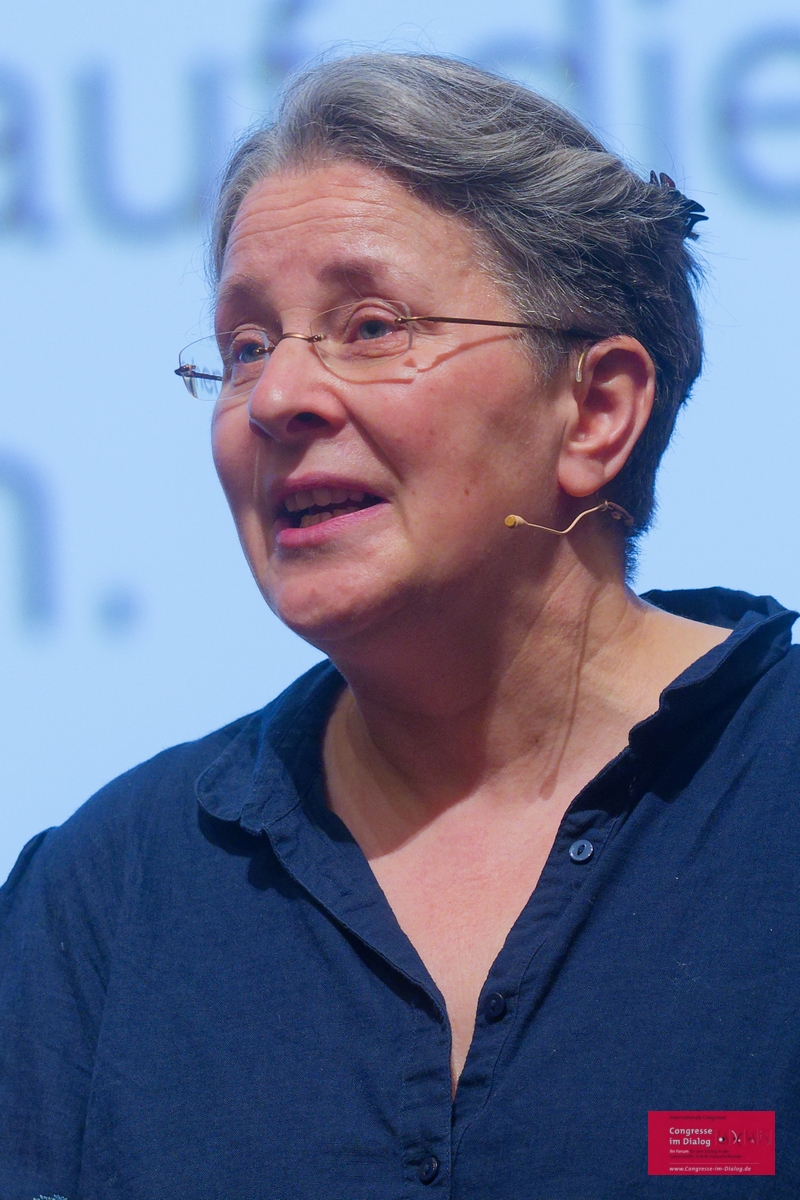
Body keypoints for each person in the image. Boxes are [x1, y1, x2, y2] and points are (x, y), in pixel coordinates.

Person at [2, 52, 799, 1199]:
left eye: (371, 326)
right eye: (244, 349)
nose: (277, 399)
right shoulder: (106, 896)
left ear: (593, 408)